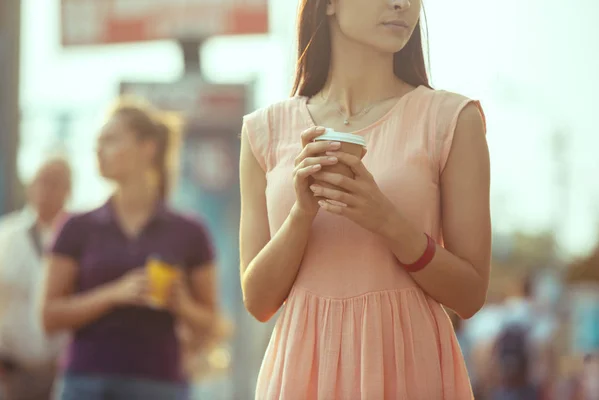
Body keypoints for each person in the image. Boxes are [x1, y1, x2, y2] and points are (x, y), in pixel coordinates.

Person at [239, 0, 491, 398]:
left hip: (411, 370)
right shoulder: (264, 131)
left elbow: (470, 294)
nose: (403, 5)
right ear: (330, 5)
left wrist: (385, 219)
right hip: (302, 374)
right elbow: (258, 301)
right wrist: (302, 214)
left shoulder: (453, 118)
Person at [41, 99, 218, 400]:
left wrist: (182, 303)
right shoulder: (75, 227)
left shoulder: (190, 231)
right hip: (85, 383)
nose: (98, 150)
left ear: (147, 148)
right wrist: (114, 294)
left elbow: (211, 324)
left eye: (110, 140)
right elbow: (48, 317)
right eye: (98, 142)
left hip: (162, 384)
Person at [0, 156, 71, 400]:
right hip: (11, 369)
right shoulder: (5, 236)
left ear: (68, 191)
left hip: (62, 371)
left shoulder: (78, 241)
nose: (45, 189)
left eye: (55, 183)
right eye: (41, 181)